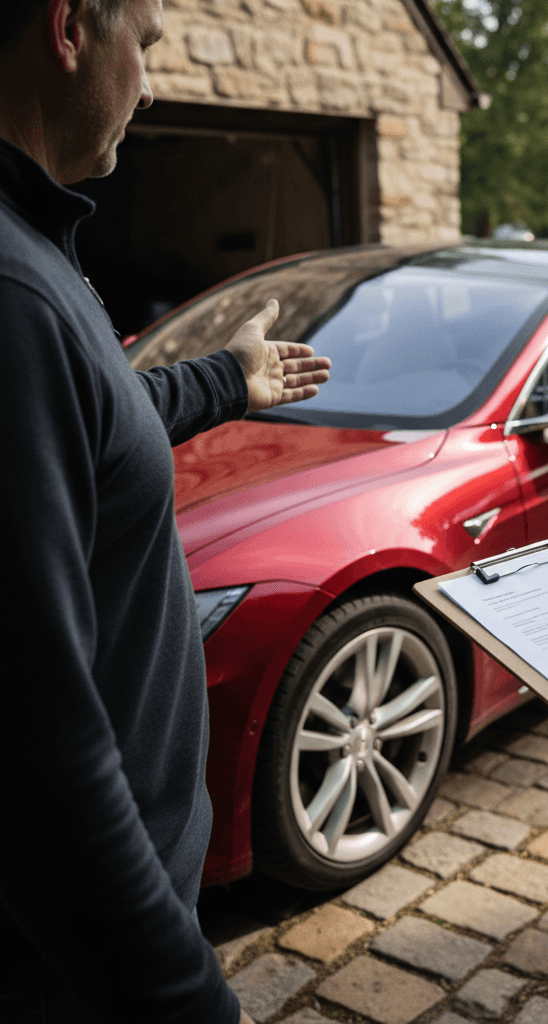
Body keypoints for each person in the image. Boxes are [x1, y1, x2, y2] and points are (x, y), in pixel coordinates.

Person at [0, 1, 330, 1021]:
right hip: (71, 971)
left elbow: (93, 419)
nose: (148, 88)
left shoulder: (31, 247)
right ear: (68, 29)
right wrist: (182, 998)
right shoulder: (12, 292)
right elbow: (39, 743)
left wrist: (225, 381)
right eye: (143, 45)